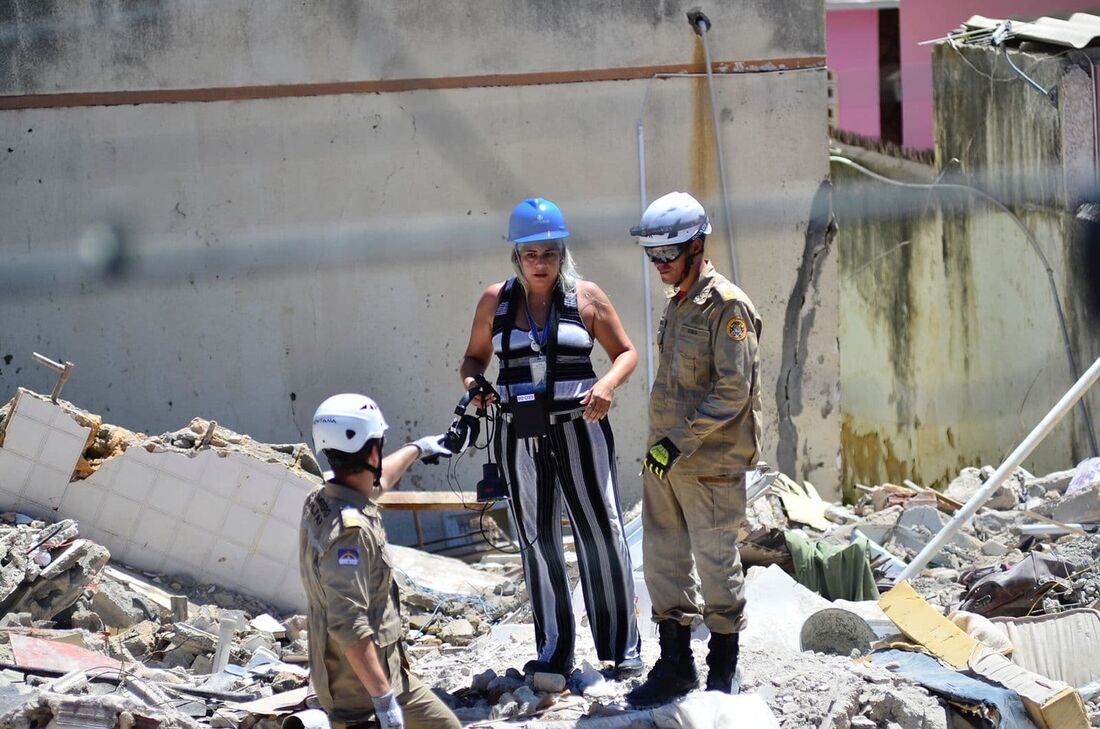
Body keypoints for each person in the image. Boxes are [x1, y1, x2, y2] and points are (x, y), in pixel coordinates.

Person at [459, 197, 642, 678]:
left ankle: (622, 648)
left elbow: (625, 352)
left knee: (601, 530)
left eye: (549, 253)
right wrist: (476, 388)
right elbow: (473, 360)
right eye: (530, 254)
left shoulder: (587, 297)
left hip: (583, 428)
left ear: (562, 254)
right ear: (516, 256)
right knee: (536, 537)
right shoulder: (494, 301)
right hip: (521, 433)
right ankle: (554, 651)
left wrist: (606, 384)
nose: (540, 264)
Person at [625, 191, 762, 706]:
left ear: (696, 246)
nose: (659, 265)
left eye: (668, 255)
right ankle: (675, 664)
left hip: (707, 463)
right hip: (665, 460)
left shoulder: (727, 306)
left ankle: (723, 669)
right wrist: (663, 450)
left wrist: (677, 444)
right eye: (652, 256)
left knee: (715, 562)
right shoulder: (679, 301)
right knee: (663, 559)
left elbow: (734, 390)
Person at [299, 393, 461, 729]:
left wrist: (420, 448)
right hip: (358, 691)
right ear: (373, 451)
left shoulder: (324, 497)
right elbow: (349, 625)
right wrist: (384, 703)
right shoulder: (350, 533)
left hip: (385, 674)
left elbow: (380, 480)